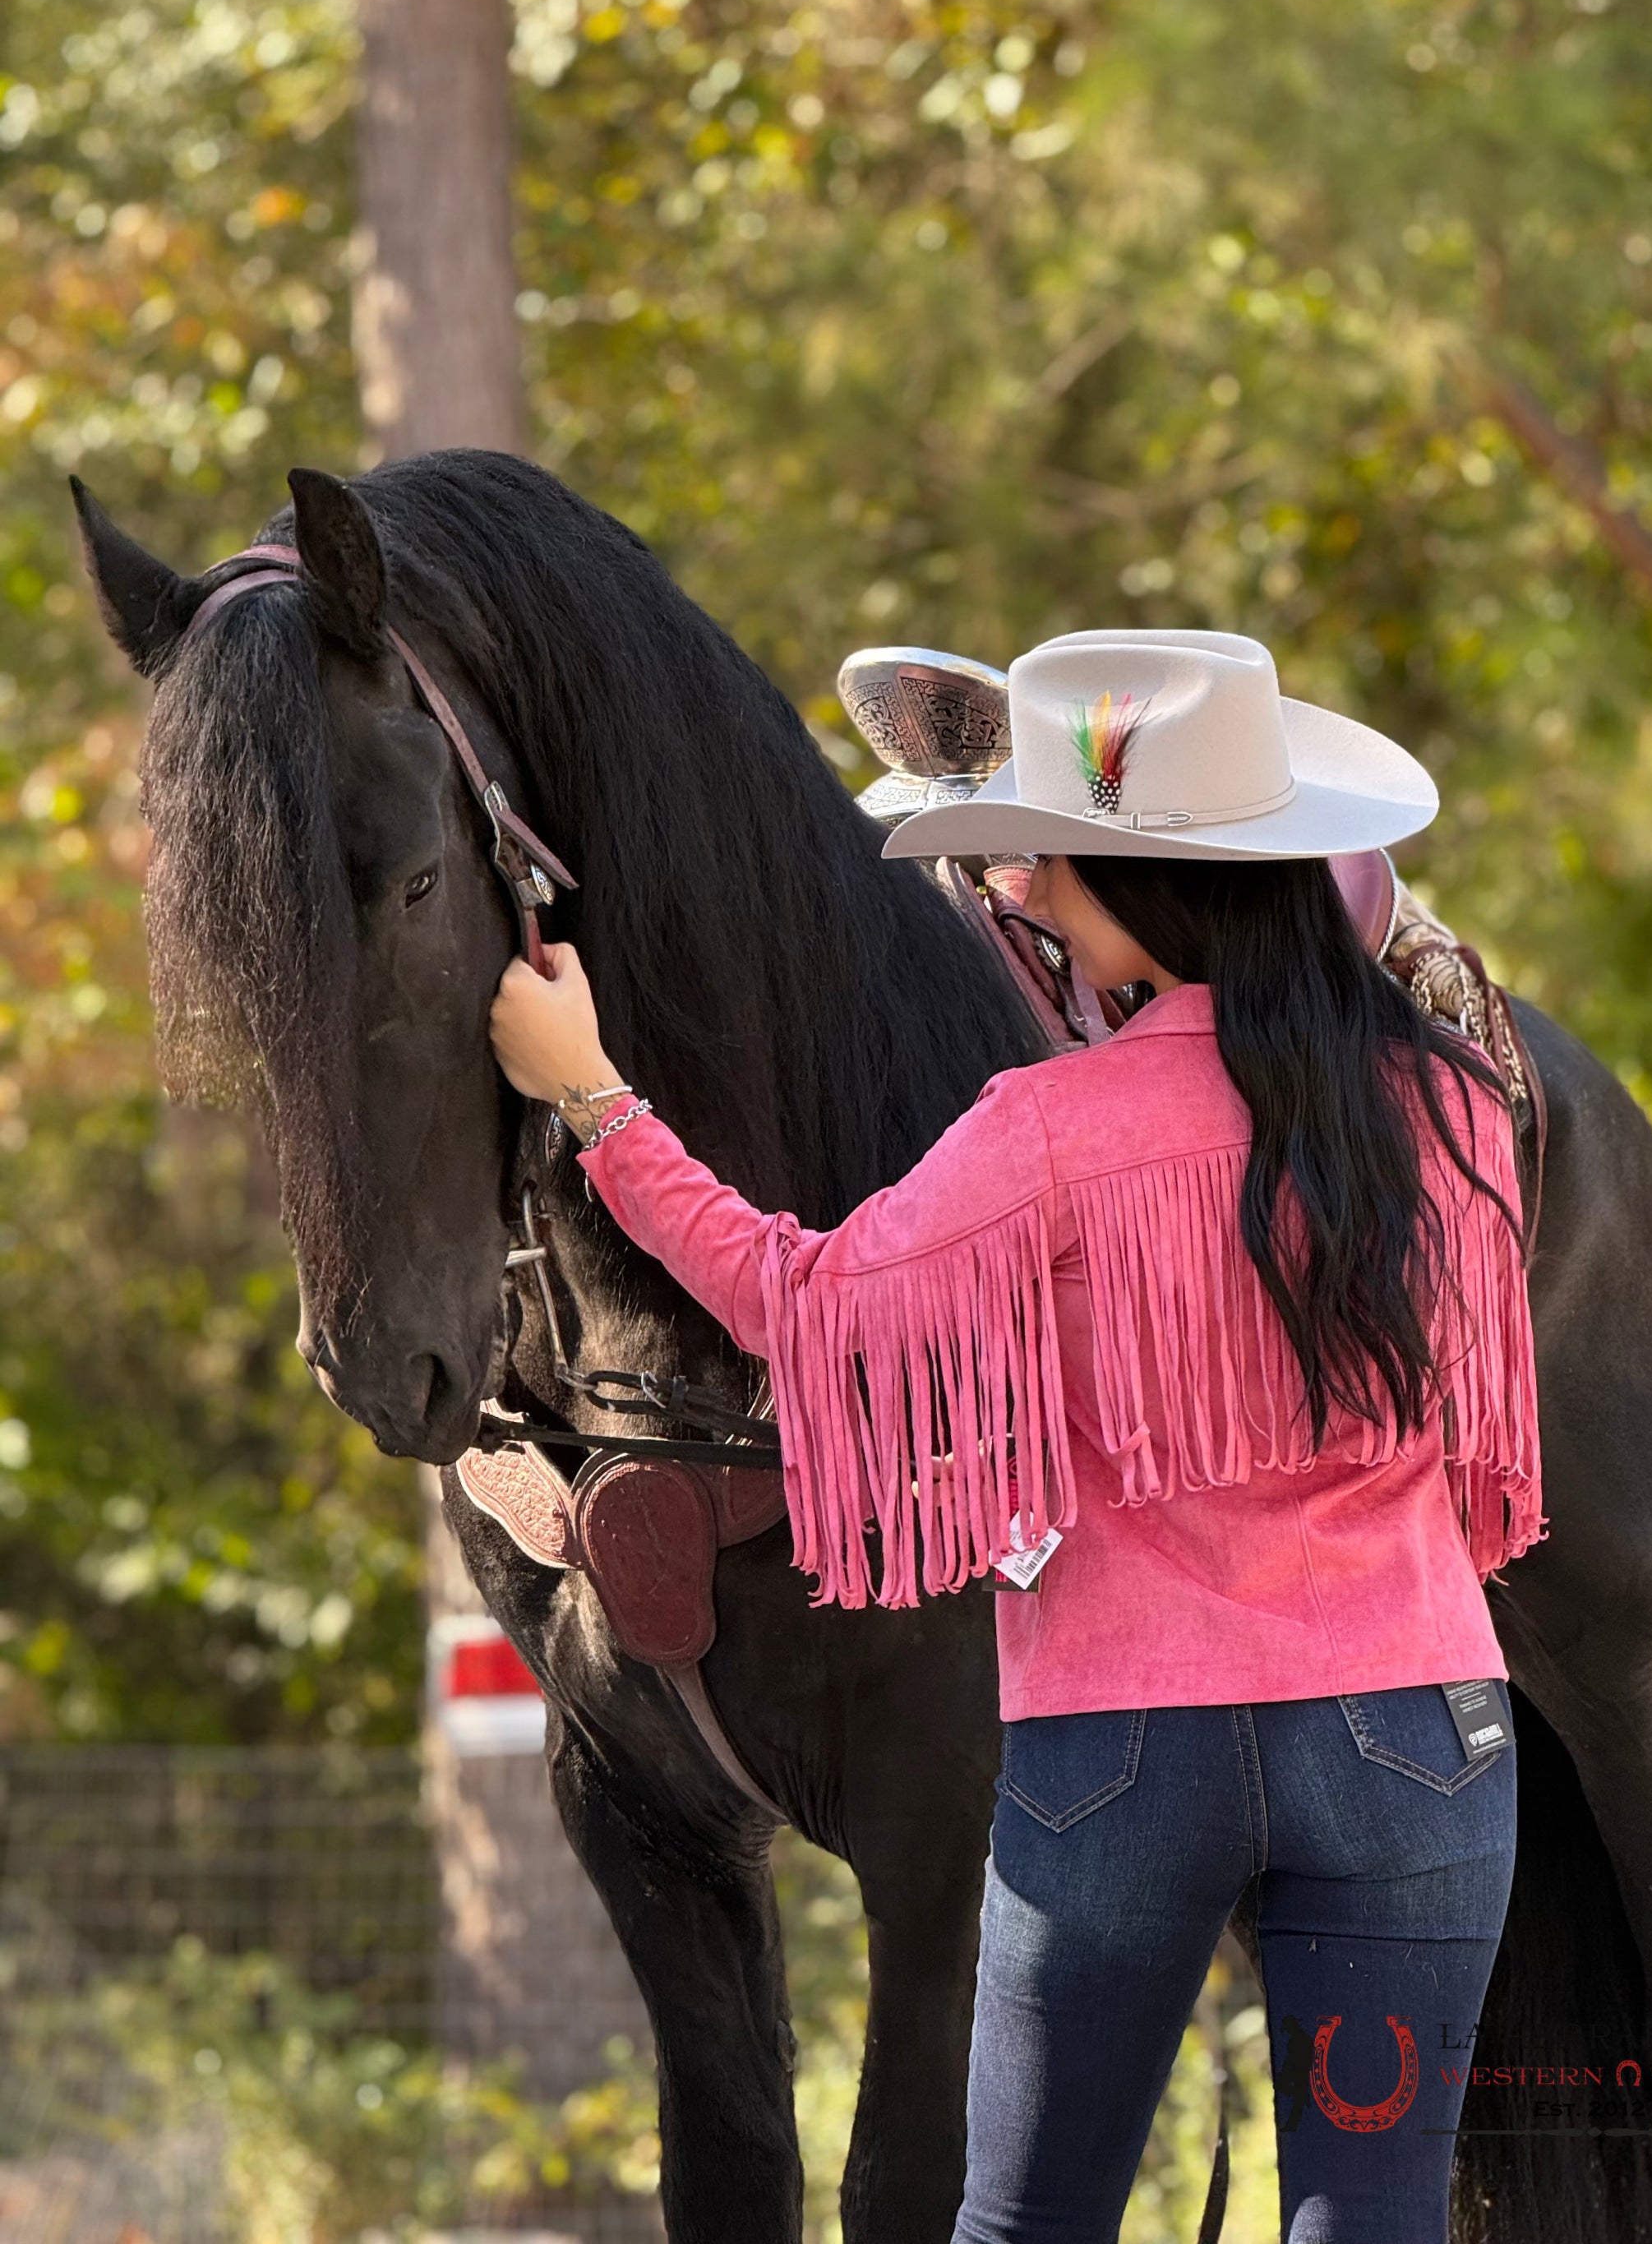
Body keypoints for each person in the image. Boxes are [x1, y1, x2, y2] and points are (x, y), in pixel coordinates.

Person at [488, 629, 1543, 2244]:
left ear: (1154, 884)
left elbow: (803, 1303)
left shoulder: (1044, 1128)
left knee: (1028, 2227)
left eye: (1052, 860)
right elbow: (1475, 1425)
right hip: (1417, 1736)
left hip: (1125, 1751)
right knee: (1373, 2223)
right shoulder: (1455, 1108)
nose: (1027, 895)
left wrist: (598, 1104)